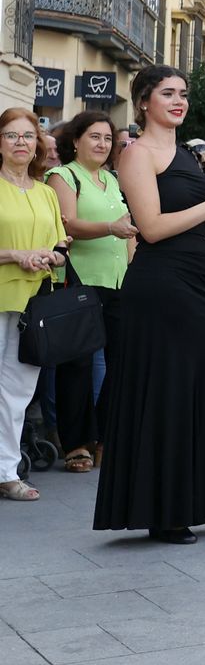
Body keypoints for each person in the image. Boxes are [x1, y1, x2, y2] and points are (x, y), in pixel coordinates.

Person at [94, 66, 205, 542]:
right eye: (168, 93)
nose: (179, 101)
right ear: (143, 102)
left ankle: (198, 498)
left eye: (183, 94)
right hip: (159, 286)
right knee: (170, 394)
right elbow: (151, 228)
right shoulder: (135, 155)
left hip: (194, 280)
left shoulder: (186, 156)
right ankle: (166, 511)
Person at [45, 111, 133, 471]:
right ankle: (76, 443)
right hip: (80, 279)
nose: (102, 144)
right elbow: (69, 224)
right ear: (76, 140)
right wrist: (111, 226)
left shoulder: (111, 180)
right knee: (77, 365)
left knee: (122, 363)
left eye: (108, 138)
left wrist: (134, 272)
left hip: (117, 280)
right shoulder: (62, 176)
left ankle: (106, 436)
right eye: (94, 137)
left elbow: (129, 231)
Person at [0, 109, 68, 503]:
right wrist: (17, 255)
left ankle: (6, 471)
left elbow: (60, 246)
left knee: (19, 390)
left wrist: (51, 257)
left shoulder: (45, 191)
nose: (21, 142)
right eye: (12, 135)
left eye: (28, 136)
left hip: (32, 302)